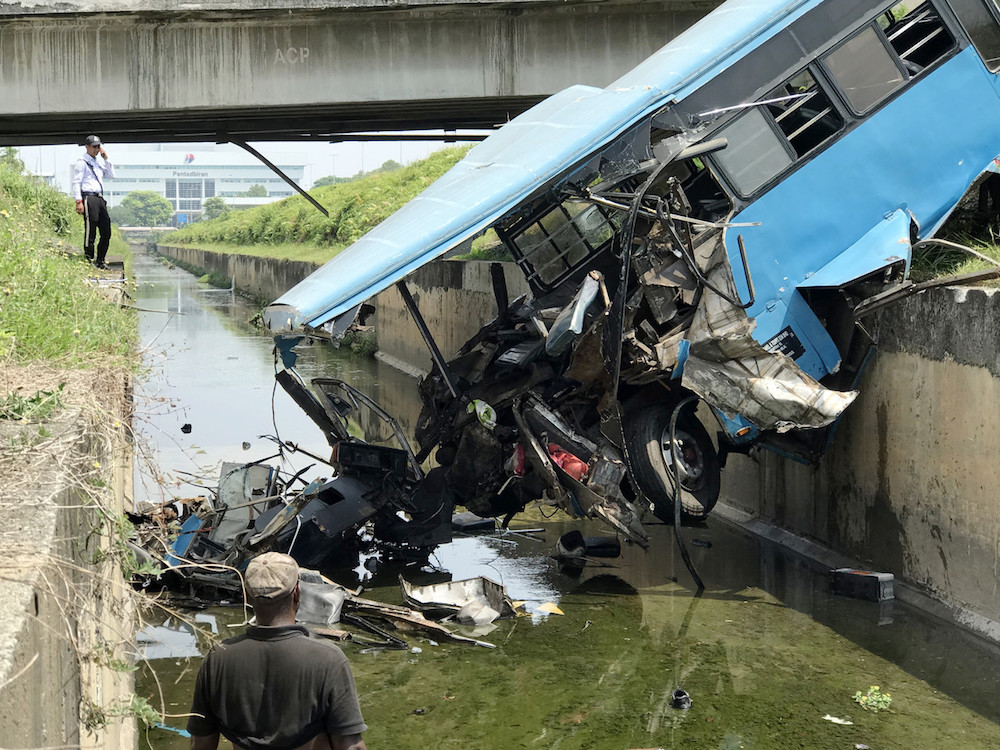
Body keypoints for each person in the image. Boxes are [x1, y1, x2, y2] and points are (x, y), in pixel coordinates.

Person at [187, 553, 368, 750]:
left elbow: (201, 744)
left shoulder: (217, 659)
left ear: (247, 596)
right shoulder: (329, 660)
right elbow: (350, 745)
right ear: (297, 593)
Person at [71, 135, 115, 268]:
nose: (97, 149)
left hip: (99, 198)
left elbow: (111, 175)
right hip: (88, 198)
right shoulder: (82, 162)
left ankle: (100, 260)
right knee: (91, 230)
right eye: (94, 147)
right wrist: (78, 201)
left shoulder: (98, 162)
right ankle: (89, 259)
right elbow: (76, 182)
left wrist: (106, 159)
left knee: (106, 231)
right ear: (87, 147)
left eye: (98, 147)